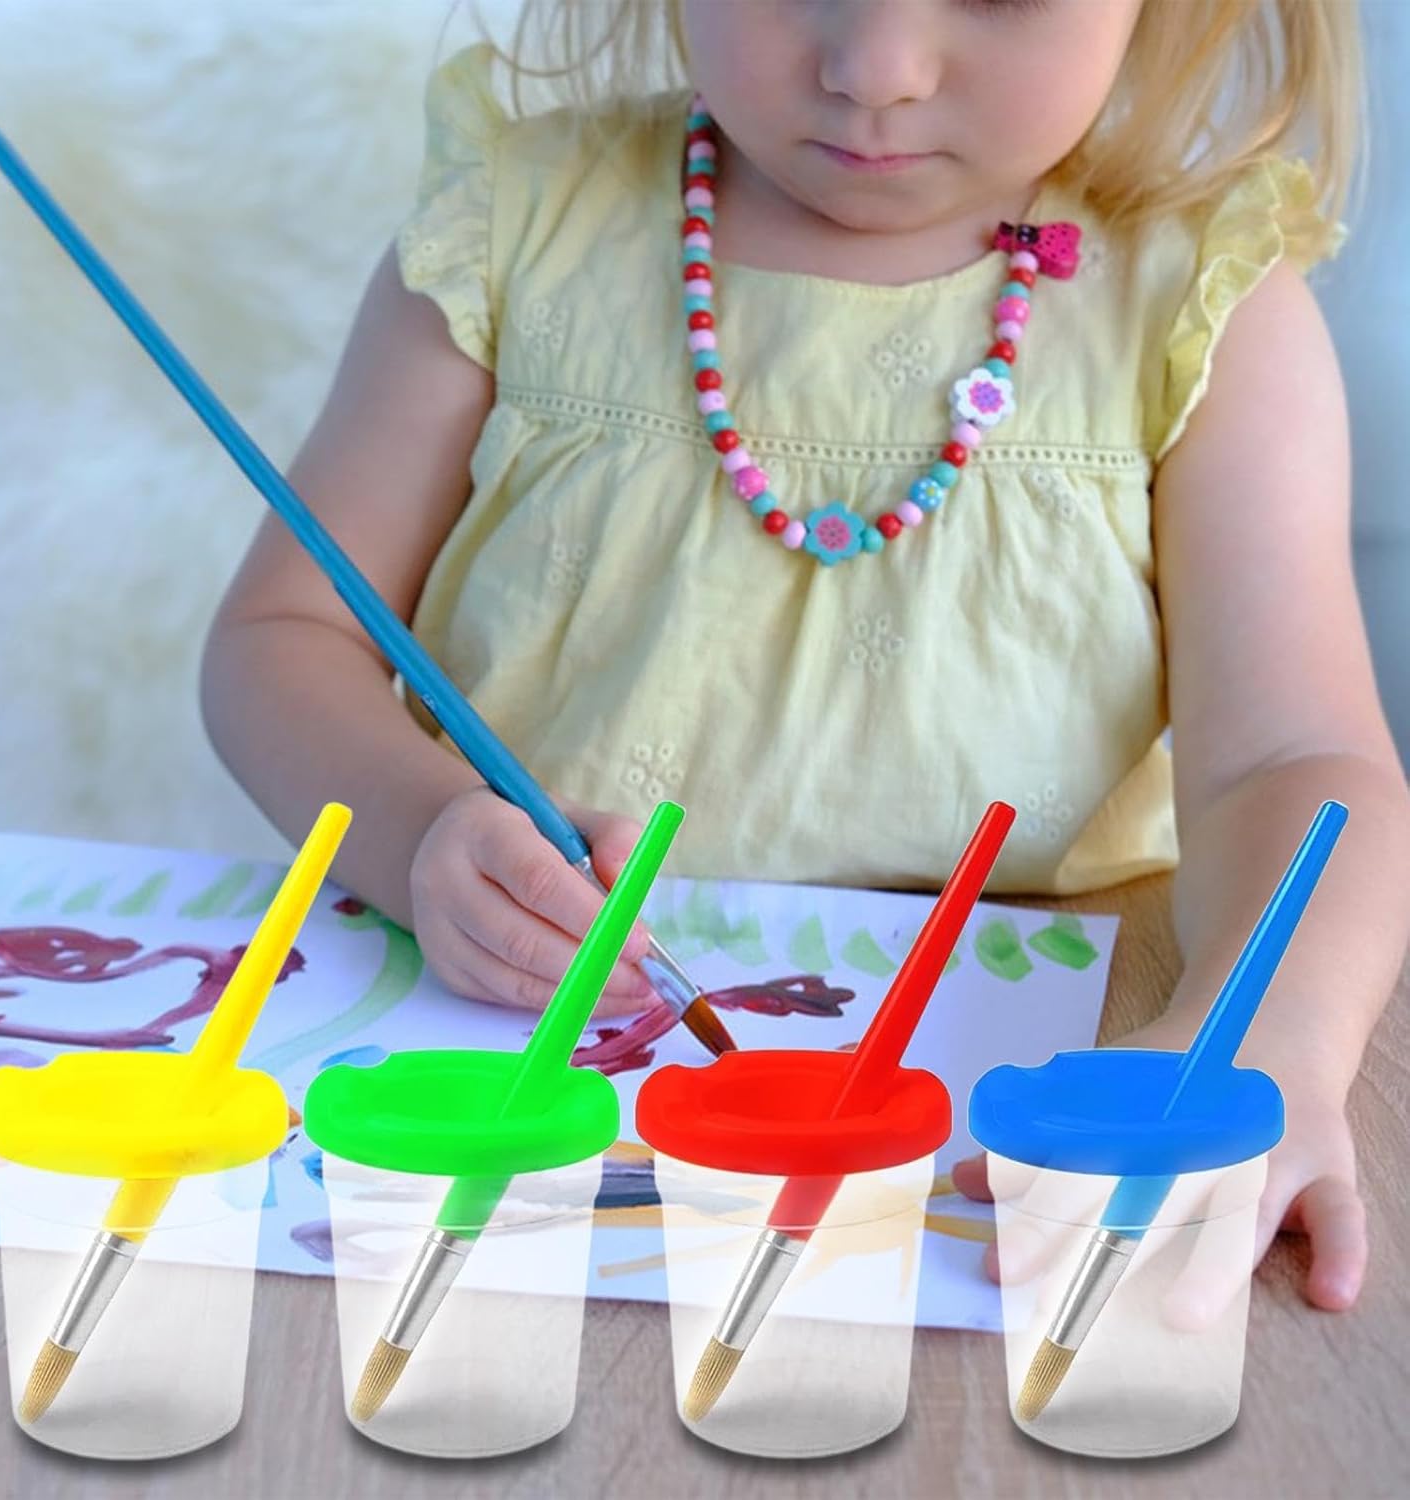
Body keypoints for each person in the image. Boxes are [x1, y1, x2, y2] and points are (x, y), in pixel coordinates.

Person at [201, 1, 1408, 1313]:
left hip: (1068, 1082)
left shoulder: (1199, 294)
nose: (876, 70)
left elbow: (1296, 761)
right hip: (528, 1075)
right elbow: (283, 639)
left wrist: (1263, 1050)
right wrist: (418, 834)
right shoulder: (513, 227)